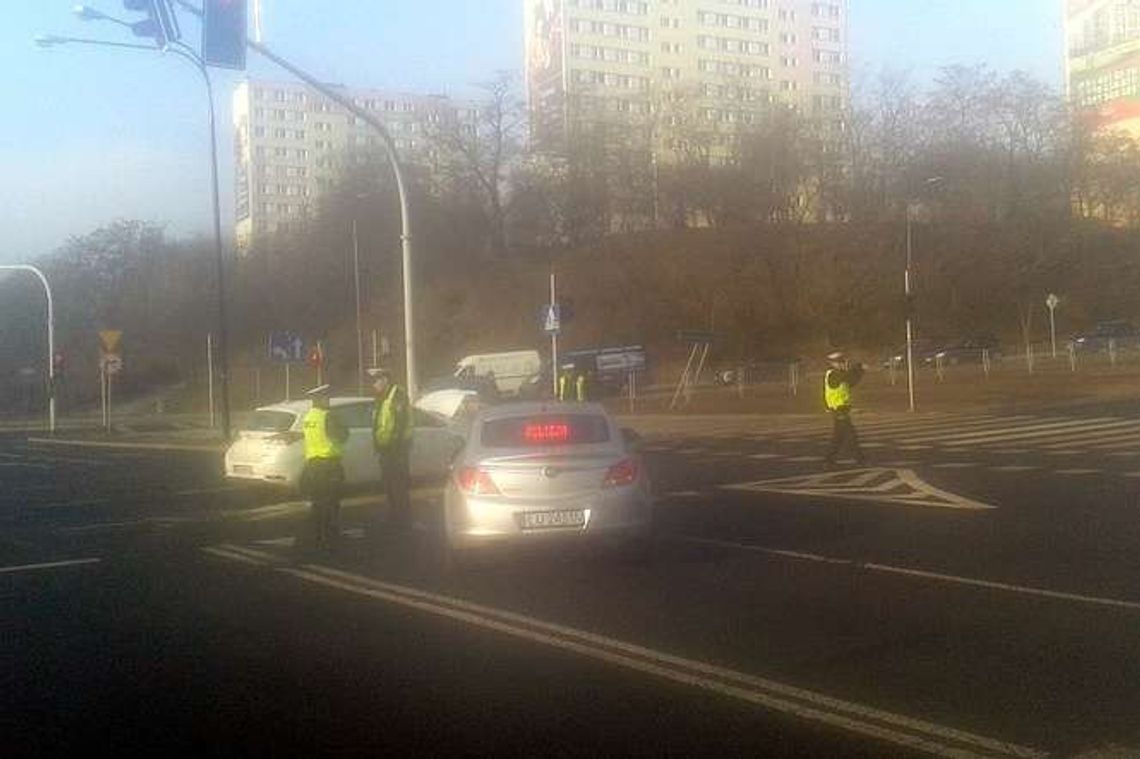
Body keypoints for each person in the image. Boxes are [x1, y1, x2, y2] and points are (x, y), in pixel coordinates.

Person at [299, 384, 348, 552]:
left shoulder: (308, 417)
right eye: (326, 398)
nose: (328, 401)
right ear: (320, 399)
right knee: (331, 502)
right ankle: (331, 538)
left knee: (317, 503)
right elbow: (343, 435)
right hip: (329, 465)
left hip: (313, 465)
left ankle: (316, 536)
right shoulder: (328, 416)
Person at [368, 367, 413, 534]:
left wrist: (393, 447)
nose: (373, 385)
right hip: (386, 451)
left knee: (398, 487)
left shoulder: (398, 395)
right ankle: (394, 518)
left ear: (385, 380)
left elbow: (399, 425)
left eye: (376, 381)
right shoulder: (382, 398)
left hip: (396, 450)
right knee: (389, 487)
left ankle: (403, 521)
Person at [824, 352, 866, 467]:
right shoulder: (833, 374)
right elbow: (847, 377)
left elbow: (852, 381)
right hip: (838, 409)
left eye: (843, 362)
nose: (843, 364)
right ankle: (860, 459)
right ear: (832, 363)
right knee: (851, 435)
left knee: (838, 437)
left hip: (842, 409)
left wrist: (860, 371)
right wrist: (858, 368)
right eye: (840, 362)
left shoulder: (839, 374)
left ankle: (828, 460)